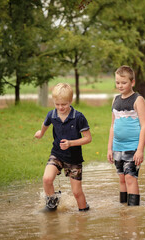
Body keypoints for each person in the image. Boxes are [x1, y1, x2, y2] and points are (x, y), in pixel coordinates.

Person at [34, 83, 92, 212]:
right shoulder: (52, 114)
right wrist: (41, 133)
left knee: (77, 192)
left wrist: (71, 143)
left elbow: (88, 138)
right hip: (57, 154)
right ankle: (52, 205)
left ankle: (84, 213)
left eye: (64, 104)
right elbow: (45, 124)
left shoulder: (78, 117)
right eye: (57, 104)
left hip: (74, 158)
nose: (60, 107)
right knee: (47, 179)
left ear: (70, 101)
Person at [107, 65, 145, 206]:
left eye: (124, 83)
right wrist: (109, 148)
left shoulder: (138, 100)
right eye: (117, 82)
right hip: (117, 147)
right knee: (122, 179)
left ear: (132, 82)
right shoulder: (115, 100)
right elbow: (112, 125)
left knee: (130, 178)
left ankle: (133, 211)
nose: (120, 85)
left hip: (132, 146)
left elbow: (144, 125)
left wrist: (140, 150)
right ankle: (123, 209)